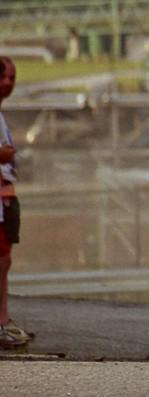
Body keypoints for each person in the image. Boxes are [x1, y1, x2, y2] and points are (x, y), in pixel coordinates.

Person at [0, 56, 32, 348]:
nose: (9, 83)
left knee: (5, 260)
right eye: (4, 77)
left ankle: (4, 320)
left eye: (13, 77)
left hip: (6, 199)